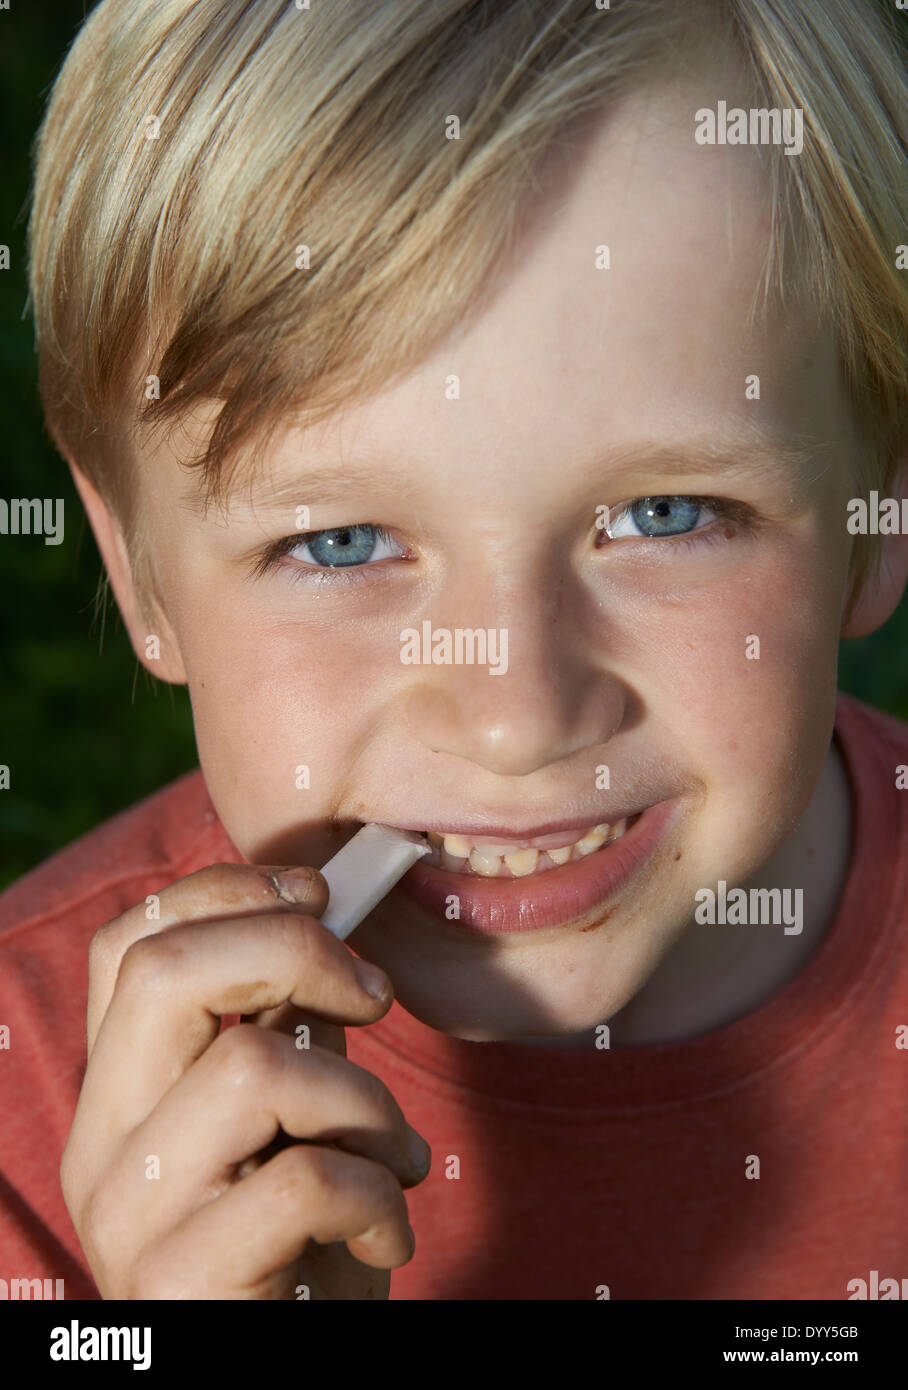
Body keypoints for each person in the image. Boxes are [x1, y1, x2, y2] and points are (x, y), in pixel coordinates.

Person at [1, 0, 906, 1299]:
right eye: (343, 542)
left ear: (880, 506)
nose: (517, 715)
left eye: (664, 514)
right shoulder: (25, 1135)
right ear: (140, 567)